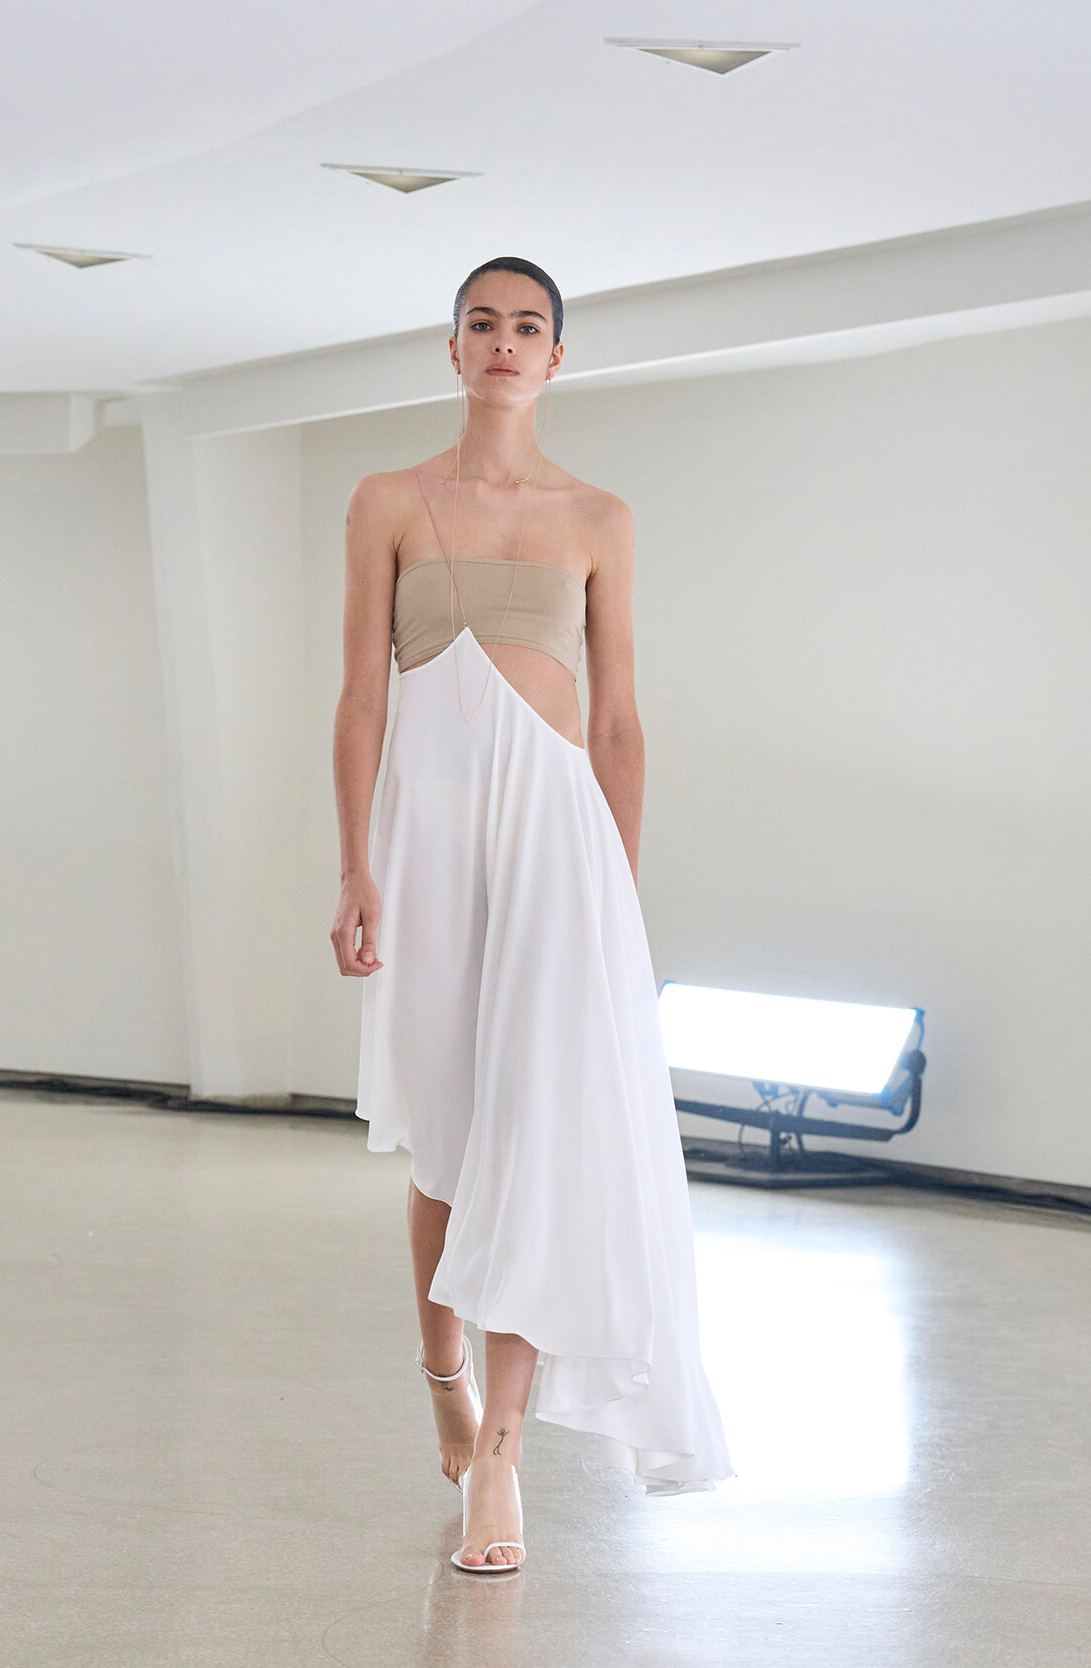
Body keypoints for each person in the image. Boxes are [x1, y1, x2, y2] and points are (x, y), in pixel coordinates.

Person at [331, 256, 733, 1572]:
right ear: (451, 350)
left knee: (538, 1137)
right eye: (482, 324)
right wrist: (354, 868)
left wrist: (616, 885)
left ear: (556, 359)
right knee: (448, 1145)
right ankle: (438, 1365)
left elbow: (616, 720)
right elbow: (359, 702)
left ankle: (500, 1459)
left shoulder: (599, 517)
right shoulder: (387, 502)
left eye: (529, 327)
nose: (504, 343)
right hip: (427, 838)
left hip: (562, 849)